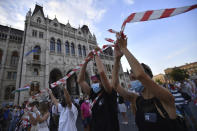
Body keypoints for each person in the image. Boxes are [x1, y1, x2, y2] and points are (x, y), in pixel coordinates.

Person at [112, 34, 183, 131]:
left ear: (148, 76)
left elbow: (141, 76)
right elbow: (115, 85)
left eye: (134, 74)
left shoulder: (166, 98)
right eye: (131, 76)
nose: (131, 76)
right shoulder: (136, 100)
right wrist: (116, 60)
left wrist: (124, 48)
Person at [77, 50, 119, 131]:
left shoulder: (109, 92)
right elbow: (80, 81)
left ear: (102, 82)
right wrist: (86, 61)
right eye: (93, 82)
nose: (93, 85)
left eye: (96, 82)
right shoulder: (93, 93)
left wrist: (96, 54)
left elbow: (102, 73)